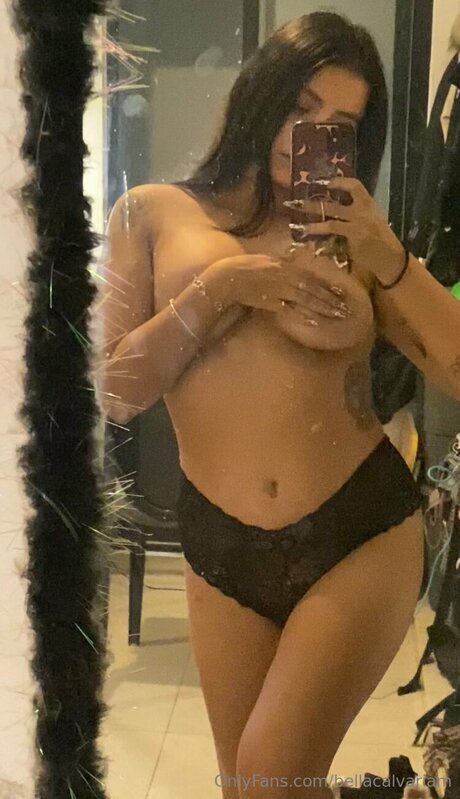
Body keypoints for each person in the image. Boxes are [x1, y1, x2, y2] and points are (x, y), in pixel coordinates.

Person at [99, 12, 460, 799]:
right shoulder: (151, 214)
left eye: (341, 125)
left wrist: (386, 253)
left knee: (268, 777)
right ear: (260, 97)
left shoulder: (351, 238)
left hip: (357, 530)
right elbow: (118, 391)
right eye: (301, 108)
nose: (313, 135)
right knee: (256, 787)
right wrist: (224, 288)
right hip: (220, 544)